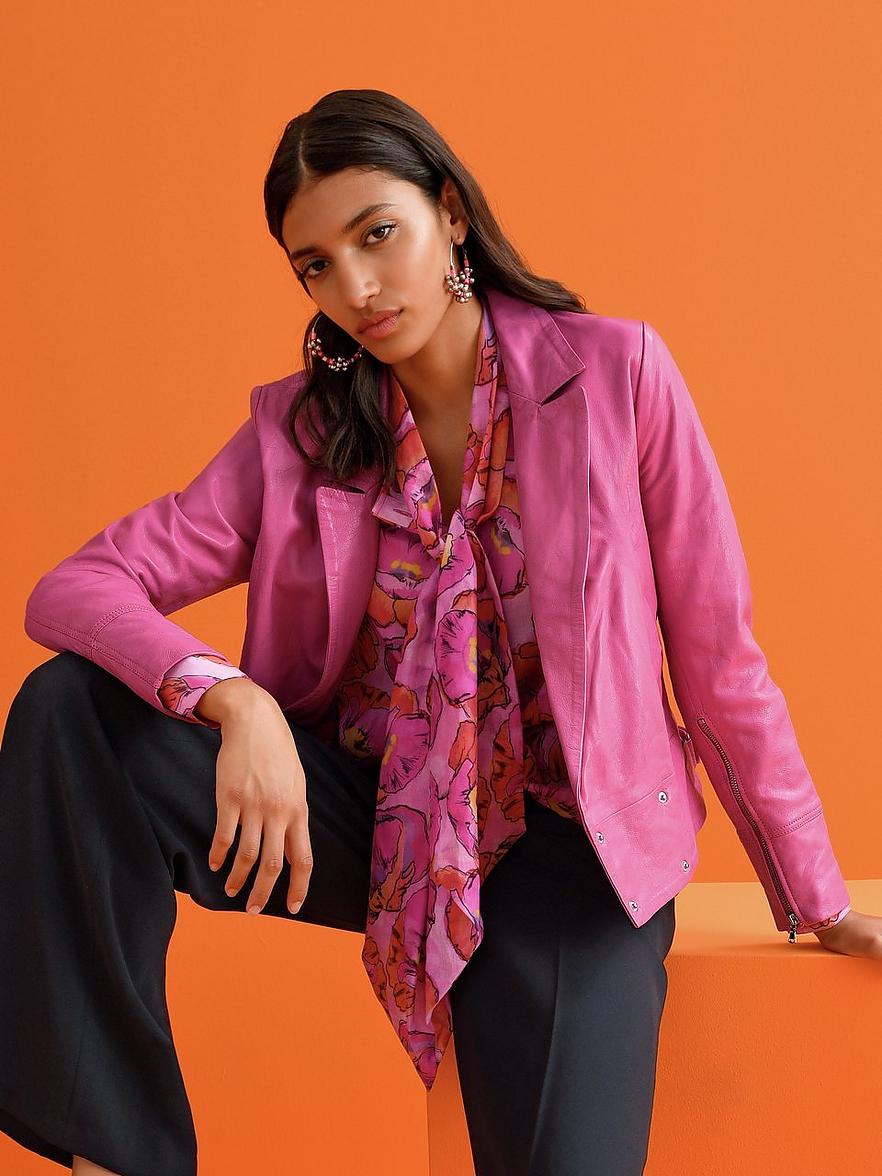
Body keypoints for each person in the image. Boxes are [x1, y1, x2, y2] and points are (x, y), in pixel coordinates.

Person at [0, 87, 876, 1176]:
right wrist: (236, 699)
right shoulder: (302, 432)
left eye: (378, 234)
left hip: (573, 847)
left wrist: (817, 899)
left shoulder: (616, 376)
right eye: (317, 265)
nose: (357, 288)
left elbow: (719, 661)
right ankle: (117, 1154)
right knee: (70, 710)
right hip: (383, 821)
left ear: (451, 211)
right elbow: (77, 586)